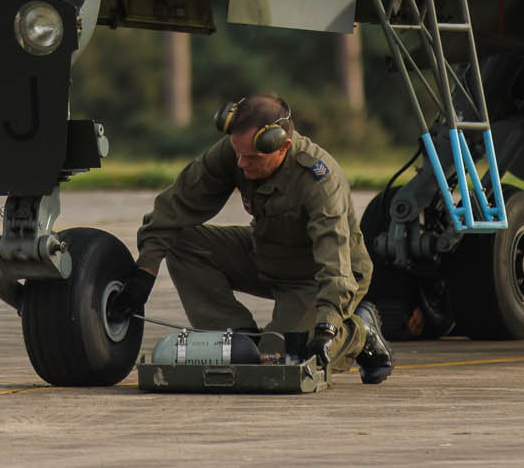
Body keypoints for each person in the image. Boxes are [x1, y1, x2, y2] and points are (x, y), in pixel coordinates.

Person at [120, 91, 393, 384]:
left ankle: (358, 333)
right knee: (182, 242)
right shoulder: (237, 152)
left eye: (251, 158)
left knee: (283, 363)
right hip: (266, 254)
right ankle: (240, 339)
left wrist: (327, 329)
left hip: (316, 278)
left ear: (282, 147)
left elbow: (334, 261)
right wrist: (144, 272)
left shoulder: (318, 180)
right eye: (237, 153)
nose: (240, 164)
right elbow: (174, 206)